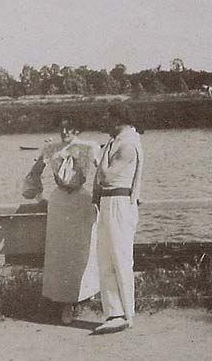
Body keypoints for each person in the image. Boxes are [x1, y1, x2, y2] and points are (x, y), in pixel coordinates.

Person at [22, 118, 100, 325]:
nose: (65, 131)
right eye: (62, 128)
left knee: (80, 252)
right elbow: (33, 175)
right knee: (58, 254)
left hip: (81, 202)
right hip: (58, 203)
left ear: (77, 129)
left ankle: (75, 301)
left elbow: (104, 172)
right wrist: (38, 197)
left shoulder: (89, 147)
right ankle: (56, 301)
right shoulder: (51, 149)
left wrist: (101, 197)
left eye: (70, 128)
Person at [92, 108, 144, 334]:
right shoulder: (115, 141)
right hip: (108, 203)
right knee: (105, 259)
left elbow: (106, 177)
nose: (103, 120)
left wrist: (99, 157)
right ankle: (114, 312)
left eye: (107, 117)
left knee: (121, 259)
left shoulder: (127, 144)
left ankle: (126, 313)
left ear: (119, 120)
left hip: (120, 203)